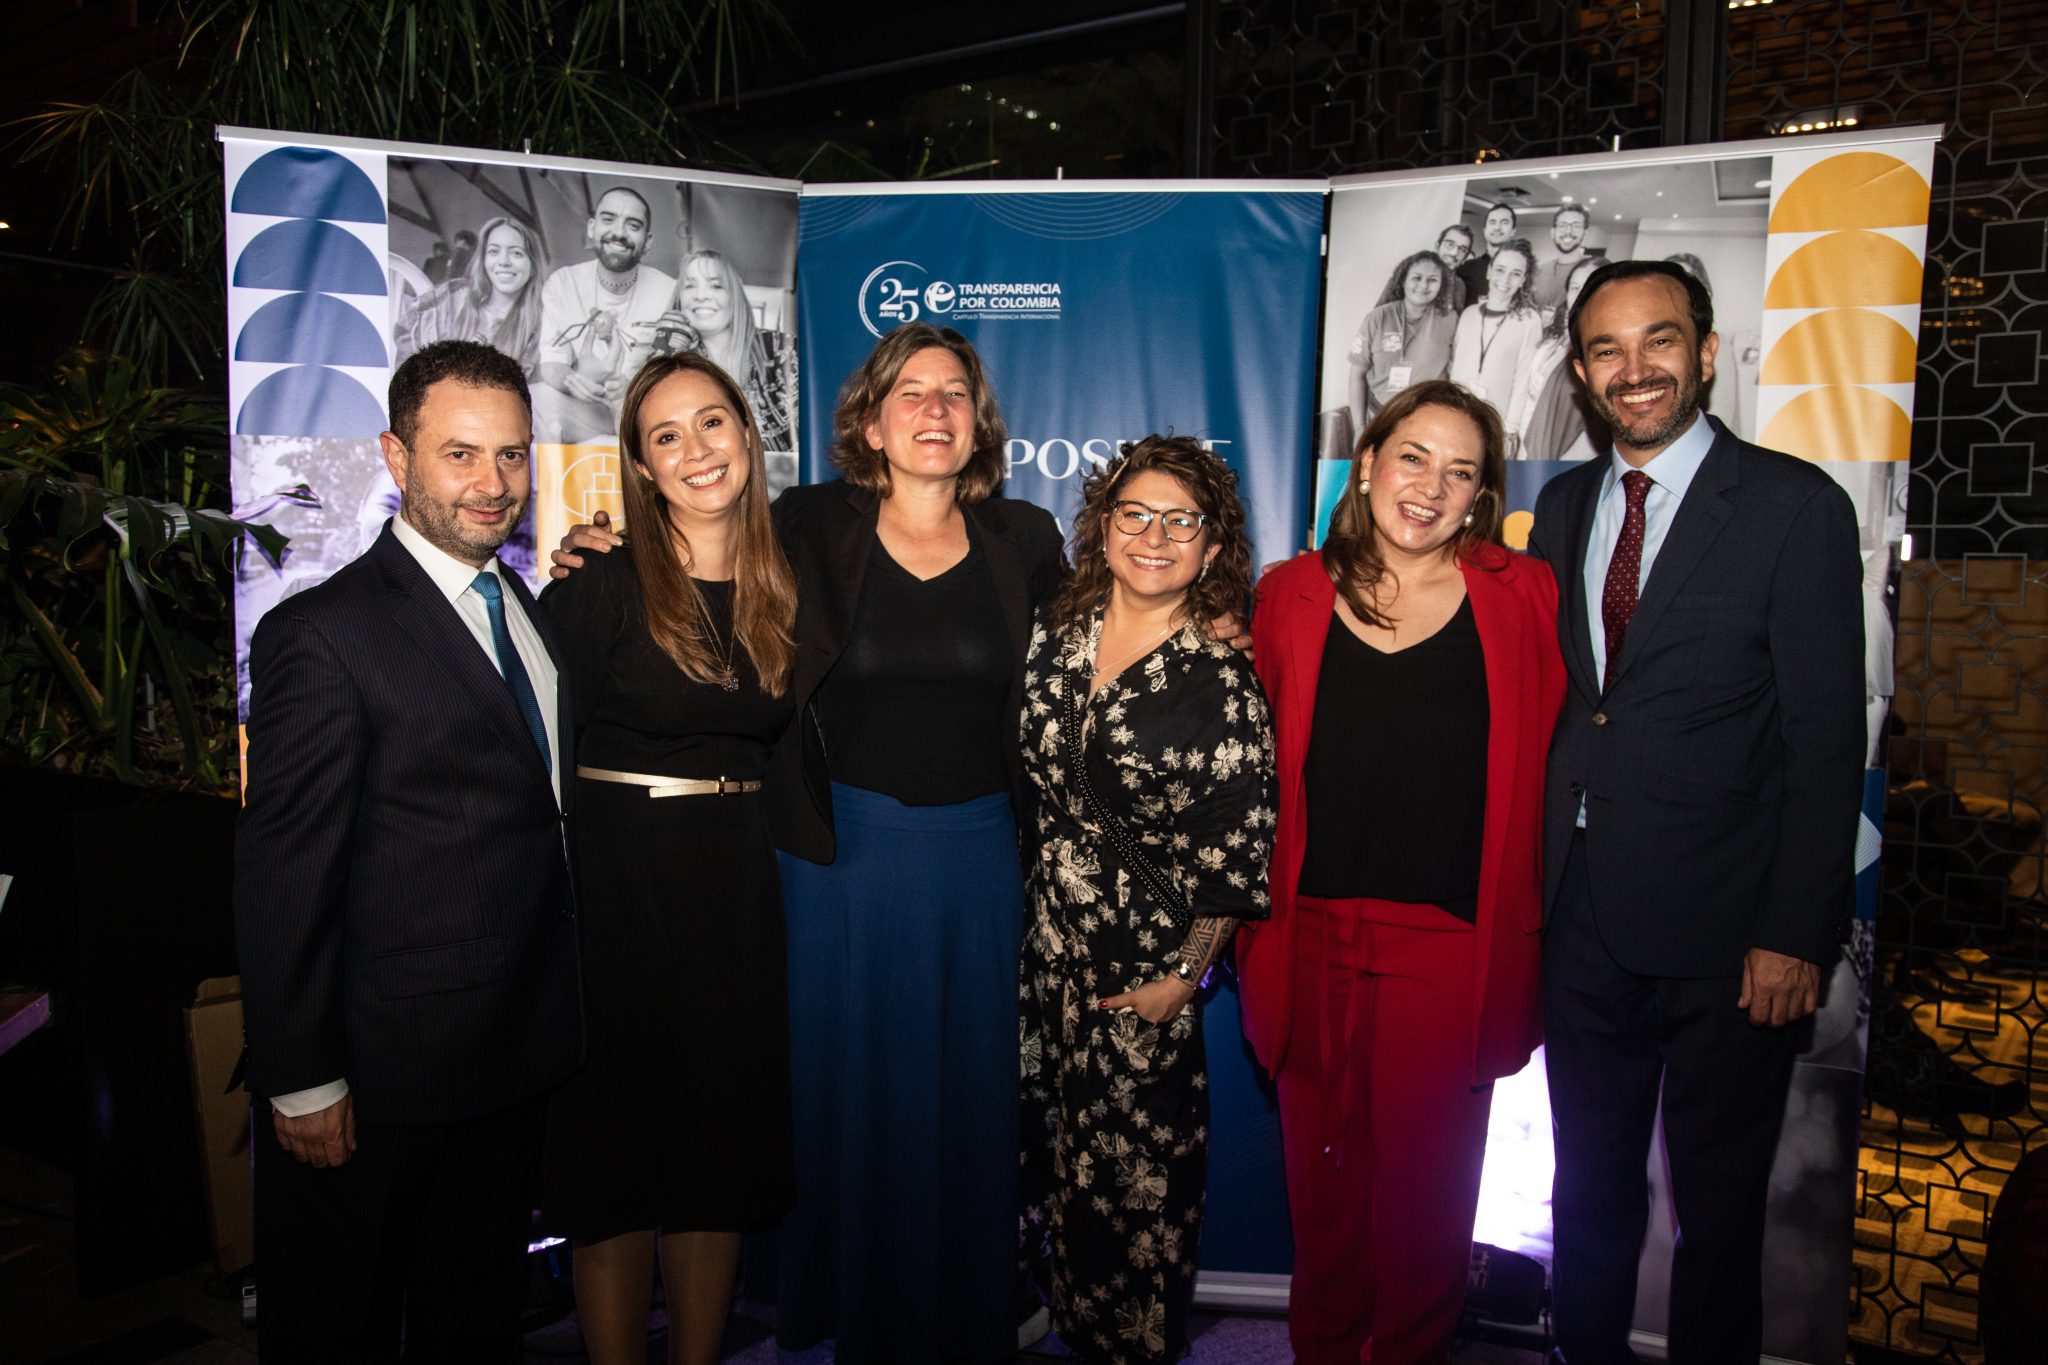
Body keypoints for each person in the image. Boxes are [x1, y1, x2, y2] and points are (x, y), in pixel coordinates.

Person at [551, 321, 1066, 1363]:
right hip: (835, 860)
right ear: (869, 424)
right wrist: (594, 550)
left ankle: (960, 1313)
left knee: (961, 1110)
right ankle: (846, 1309)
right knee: (838, 1106)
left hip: (973, 863)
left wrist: (1206, 618)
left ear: (979, 421)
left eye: (953, 393)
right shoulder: (809, 525)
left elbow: (1095, 648)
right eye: (908, 392)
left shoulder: (1025, 539)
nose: (933, 410)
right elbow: (690, 560)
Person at [1526, 260, 1864, 1364]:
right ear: (1581, 373)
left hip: (1732, 939)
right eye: (1607, 350)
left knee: (1717, 1213)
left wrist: (1792, 933)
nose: (1635, 370)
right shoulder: (1563, 507)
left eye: (1658, 340)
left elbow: (1825, 742)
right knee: (1585, 1188)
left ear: (1706, 352)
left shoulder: (1793, 506)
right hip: (1579, 920)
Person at [234, 339, 582, 1361]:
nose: (493, 484)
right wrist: (303, 1077)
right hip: (379, 1079)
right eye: (459, 455)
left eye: (511, 455)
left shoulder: (519, 603)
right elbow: (284, 870)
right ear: (396, 458)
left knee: (471, 1324)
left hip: (508, 1057)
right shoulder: (323, 633)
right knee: (333, 1327)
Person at [1237, 379, 1566, 1365]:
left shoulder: (1525, 597)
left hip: (1451, 942)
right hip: (1307, 933)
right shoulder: (1288, 594)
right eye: (1412, 456)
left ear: (1480, 497)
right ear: (1369, 462)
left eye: (1459, 471)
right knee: (1324, 1195)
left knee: (1427, 1207)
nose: (1429, 486)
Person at [538, 353, 799, 1365]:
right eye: (666, 435)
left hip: (735, 892)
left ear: (748, 433)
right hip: (619, 892)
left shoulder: (785, 585)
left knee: (713, 1164)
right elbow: (528, 746)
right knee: (613, 1169)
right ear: (641, 467)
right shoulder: (600, 580)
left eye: (712, 422)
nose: (696, 449)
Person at [1018, 437, 1276, 1365]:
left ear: (1212, 547)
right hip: (1042, 960)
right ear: (1104, 527)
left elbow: (1237, 851)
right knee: (1049, 1174)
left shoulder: (1222, 680)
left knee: (1135, 1198)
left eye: (1180, 521)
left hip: (1141, 978)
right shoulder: (1055, 633)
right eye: (1135, 514)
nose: (1154, 536)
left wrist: (1184, 976)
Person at [533, 185, 679, 443]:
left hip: (645, 415)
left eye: (633, 225)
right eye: (609, 219)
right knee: (531, 398)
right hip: (585, 410)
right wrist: (574, 381)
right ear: (592, 228)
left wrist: (632, 389)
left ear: (648, 242)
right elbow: (552, 362)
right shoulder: (563, 283)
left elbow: (678, 372)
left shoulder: (669, 291)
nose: (619, 233)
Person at [654, 248, 798, 453]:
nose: (700, 296)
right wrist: (663, 352)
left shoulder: (782, 349)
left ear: (734, 296)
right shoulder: (675, 360)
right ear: (679, 299)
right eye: (690, 286)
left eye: (715, 286)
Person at [394, 215, 548, 377]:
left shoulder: (542, 326)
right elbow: (408, 336)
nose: (503, 261)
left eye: (516, 253)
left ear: (533, 266)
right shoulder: (451, 299)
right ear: (483, 260)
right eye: (494, 251)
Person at [1347, 251, 1458, 433]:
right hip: (1381, 416)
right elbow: (1356, 375)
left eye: (1432, 280)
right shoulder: (1377, 318)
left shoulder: (1450, 320)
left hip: (1428, 421)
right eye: (1417, 278)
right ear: (1403, 280)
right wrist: (1360, 427)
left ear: (1441, 285)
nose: (1423, 285)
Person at [1506, 255, 1604, 460]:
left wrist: (1562, 468)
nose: (1580, 294)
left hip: (1559, 455)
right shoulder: (1555, 336)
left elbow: (1602, 426)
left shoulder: (1603, 351)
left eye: (1589, 286)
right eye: (1575, 287)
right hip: (1524, 442)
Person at [1449, 237, 1543, 412]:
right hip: (1458, 410)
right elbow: (1454, 365)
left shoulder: (1529, 320)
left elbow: (1523, 380)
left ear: (1523, 280)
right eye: (1500, 270)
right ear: (1489, 272)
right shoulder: (1469, 314)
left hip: (1497, 416)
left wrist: (1512, 424)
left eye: (1515, 274)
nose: (1505, 280)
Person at [1530, 204, 1595, 312]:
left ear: (1585, 233)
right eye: (1562, 225)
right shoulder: (1540, 271)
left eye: (1576, 226)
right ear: (1552, 232)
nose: (1568, 231)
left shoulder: (1592, 273)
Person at [1455, 202, 1518, 307]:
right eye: (1492, 222)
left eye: (1504, 222)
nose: (1497, 227)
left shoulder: (1520, 271)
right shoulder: (1466, 268)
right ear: (1485, 230)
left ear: (1513, 231)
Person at [1434, 224, 1475, 313]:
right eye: (1450, 245)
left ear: (1465, 258)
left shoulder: (1460, 286)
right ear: (1437, 247)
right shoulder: (1417, 276)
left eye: (1462, 250)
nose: (1454, 253)